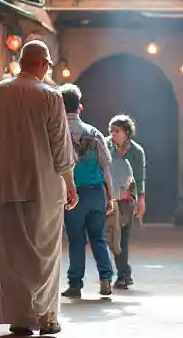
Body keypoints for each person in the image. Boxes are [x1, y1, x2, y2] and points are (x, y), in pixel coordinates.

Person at [0, 41, 78, 336]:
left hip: (4, 184)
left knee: (11, 253)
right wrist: (70, 184)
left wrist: (6, 162)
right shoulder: (51, 96)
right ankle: (46, 317)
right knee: (44, 252)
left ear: (21, 62)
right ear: (44, 65)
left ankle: (19, 318)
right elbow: (61, 148)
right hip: (43, 186)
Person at [58, 84, 117, 299]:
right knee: (98, 238)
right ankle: (105, 279)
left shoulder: (58, 134)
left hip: (71, 195)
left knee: (76, 241)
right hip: (95, 194)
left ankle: (75, 285)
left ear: (60, 108)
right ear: (79, 108)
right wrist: (110, 196)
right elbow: (106, 167)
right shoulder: (95, 133)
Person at [108, 115, 146, 289]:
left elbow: (139, 178)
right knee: (113, 236)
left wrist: (141, 199)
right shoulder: (106, 147)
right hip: (111, 199)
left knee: (123, 237)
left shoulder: (136, 152)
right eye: (111, 131)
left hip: (127, 201)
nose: (113, 134)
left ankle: (123, 274)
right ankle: (123, 273)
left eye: (117, 131)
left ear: (127, 132)